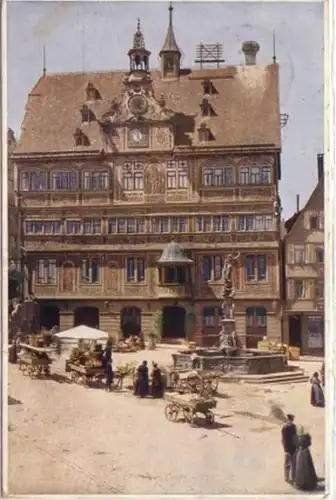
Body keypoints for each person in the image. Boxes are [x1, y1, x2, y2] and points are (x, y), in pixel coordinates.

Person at [281, 414, 297, 483]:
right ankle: (290, 478)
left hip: (290, 447)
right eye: (292, 419)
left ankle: (289, 477)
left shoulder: (288, 427)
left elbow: (283, 438)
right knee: (290, 463)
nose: (292, 420)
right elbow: (286, 439)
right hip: (290, 447)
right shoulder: (290, 427)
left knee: (290, 463)